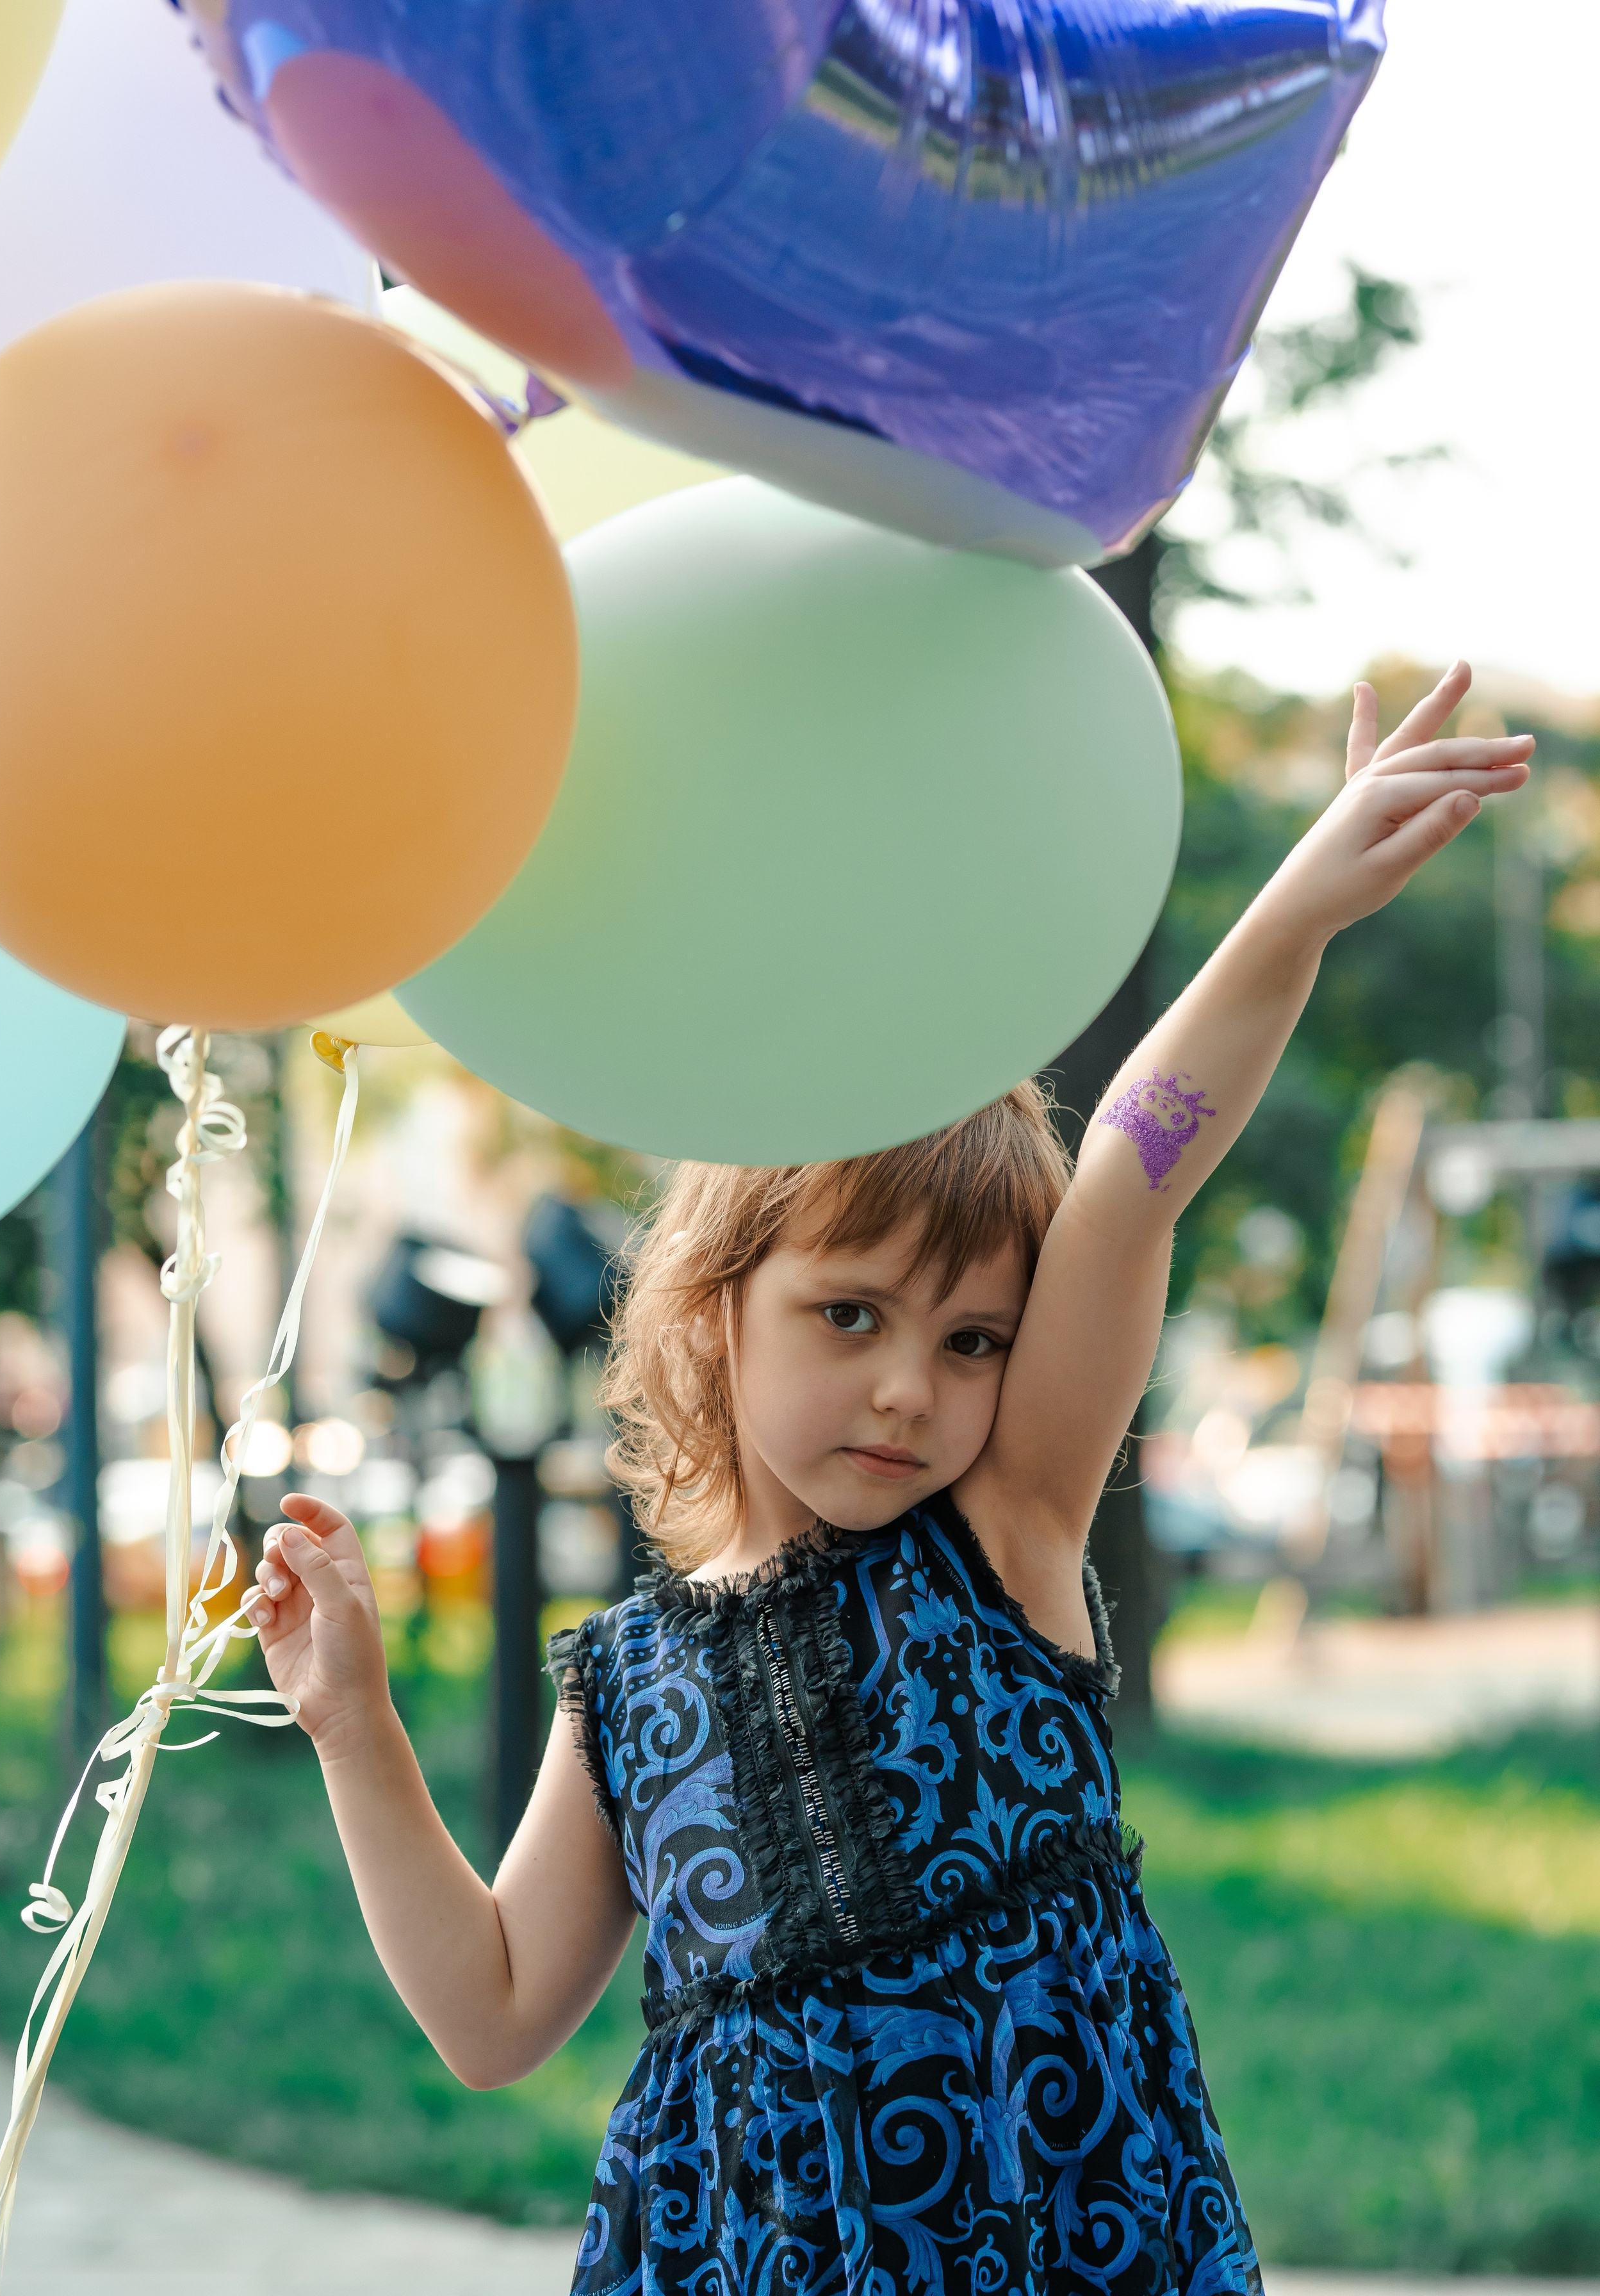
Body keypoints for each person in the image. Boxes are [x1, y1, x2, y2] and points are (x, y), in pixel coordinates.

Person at [250, 662, 1531, 2295]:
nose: (911, 1386)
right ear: (714, 1313)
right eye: (847, 1314)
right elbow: (494, 2013)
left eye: (977, 1338)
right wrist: (353, 1723)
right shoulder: (630, 1679)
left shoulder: (1005, 1536)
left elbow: (1137, 1166)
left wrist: (1293, 906)